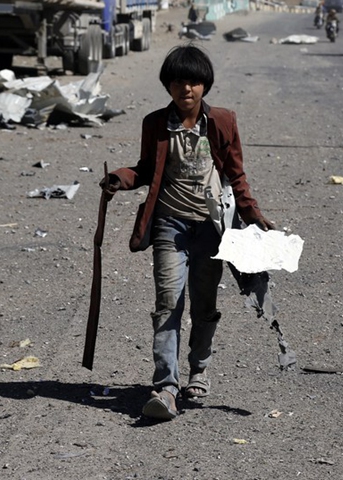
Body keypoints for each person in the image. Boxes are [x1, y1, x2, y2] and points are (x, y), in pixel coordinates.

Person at [99, 44, 274, 421]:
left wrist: (254, 214)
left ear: (205, 85)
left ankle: (199, 368)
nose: (186, 89)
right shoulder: (155, 124)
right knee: (168, 302)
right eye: (178, 82)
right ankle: (165, 385)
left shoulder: (224, 122)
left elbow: (236, 174)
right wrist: (119, 179)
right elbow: (147, 170)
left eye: (193, 82)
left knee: (204, 304)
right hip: (170, 225)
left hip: (211, 229)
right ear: (168, 86)